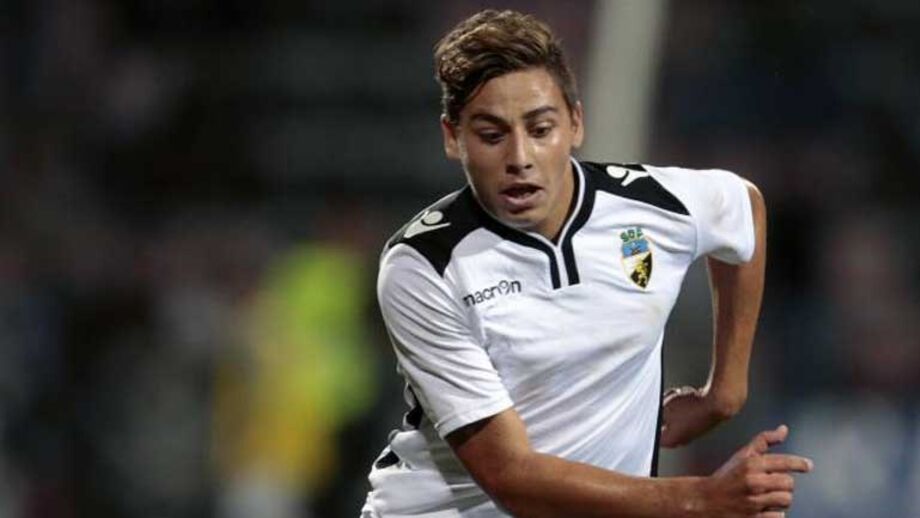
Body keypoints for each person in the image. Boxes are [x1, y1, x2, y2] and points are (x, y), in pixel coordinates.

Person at [362, 9, 812, 517]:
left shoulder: (651, 206)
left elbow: (744, 207)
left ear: (576, 123)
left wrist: (725, 391)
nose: (520, 157)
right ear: (453, 137)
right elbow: (511, 476)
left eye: (541, 128)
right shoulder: (424, 265)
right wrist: (701, 499)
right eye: (491, 135)